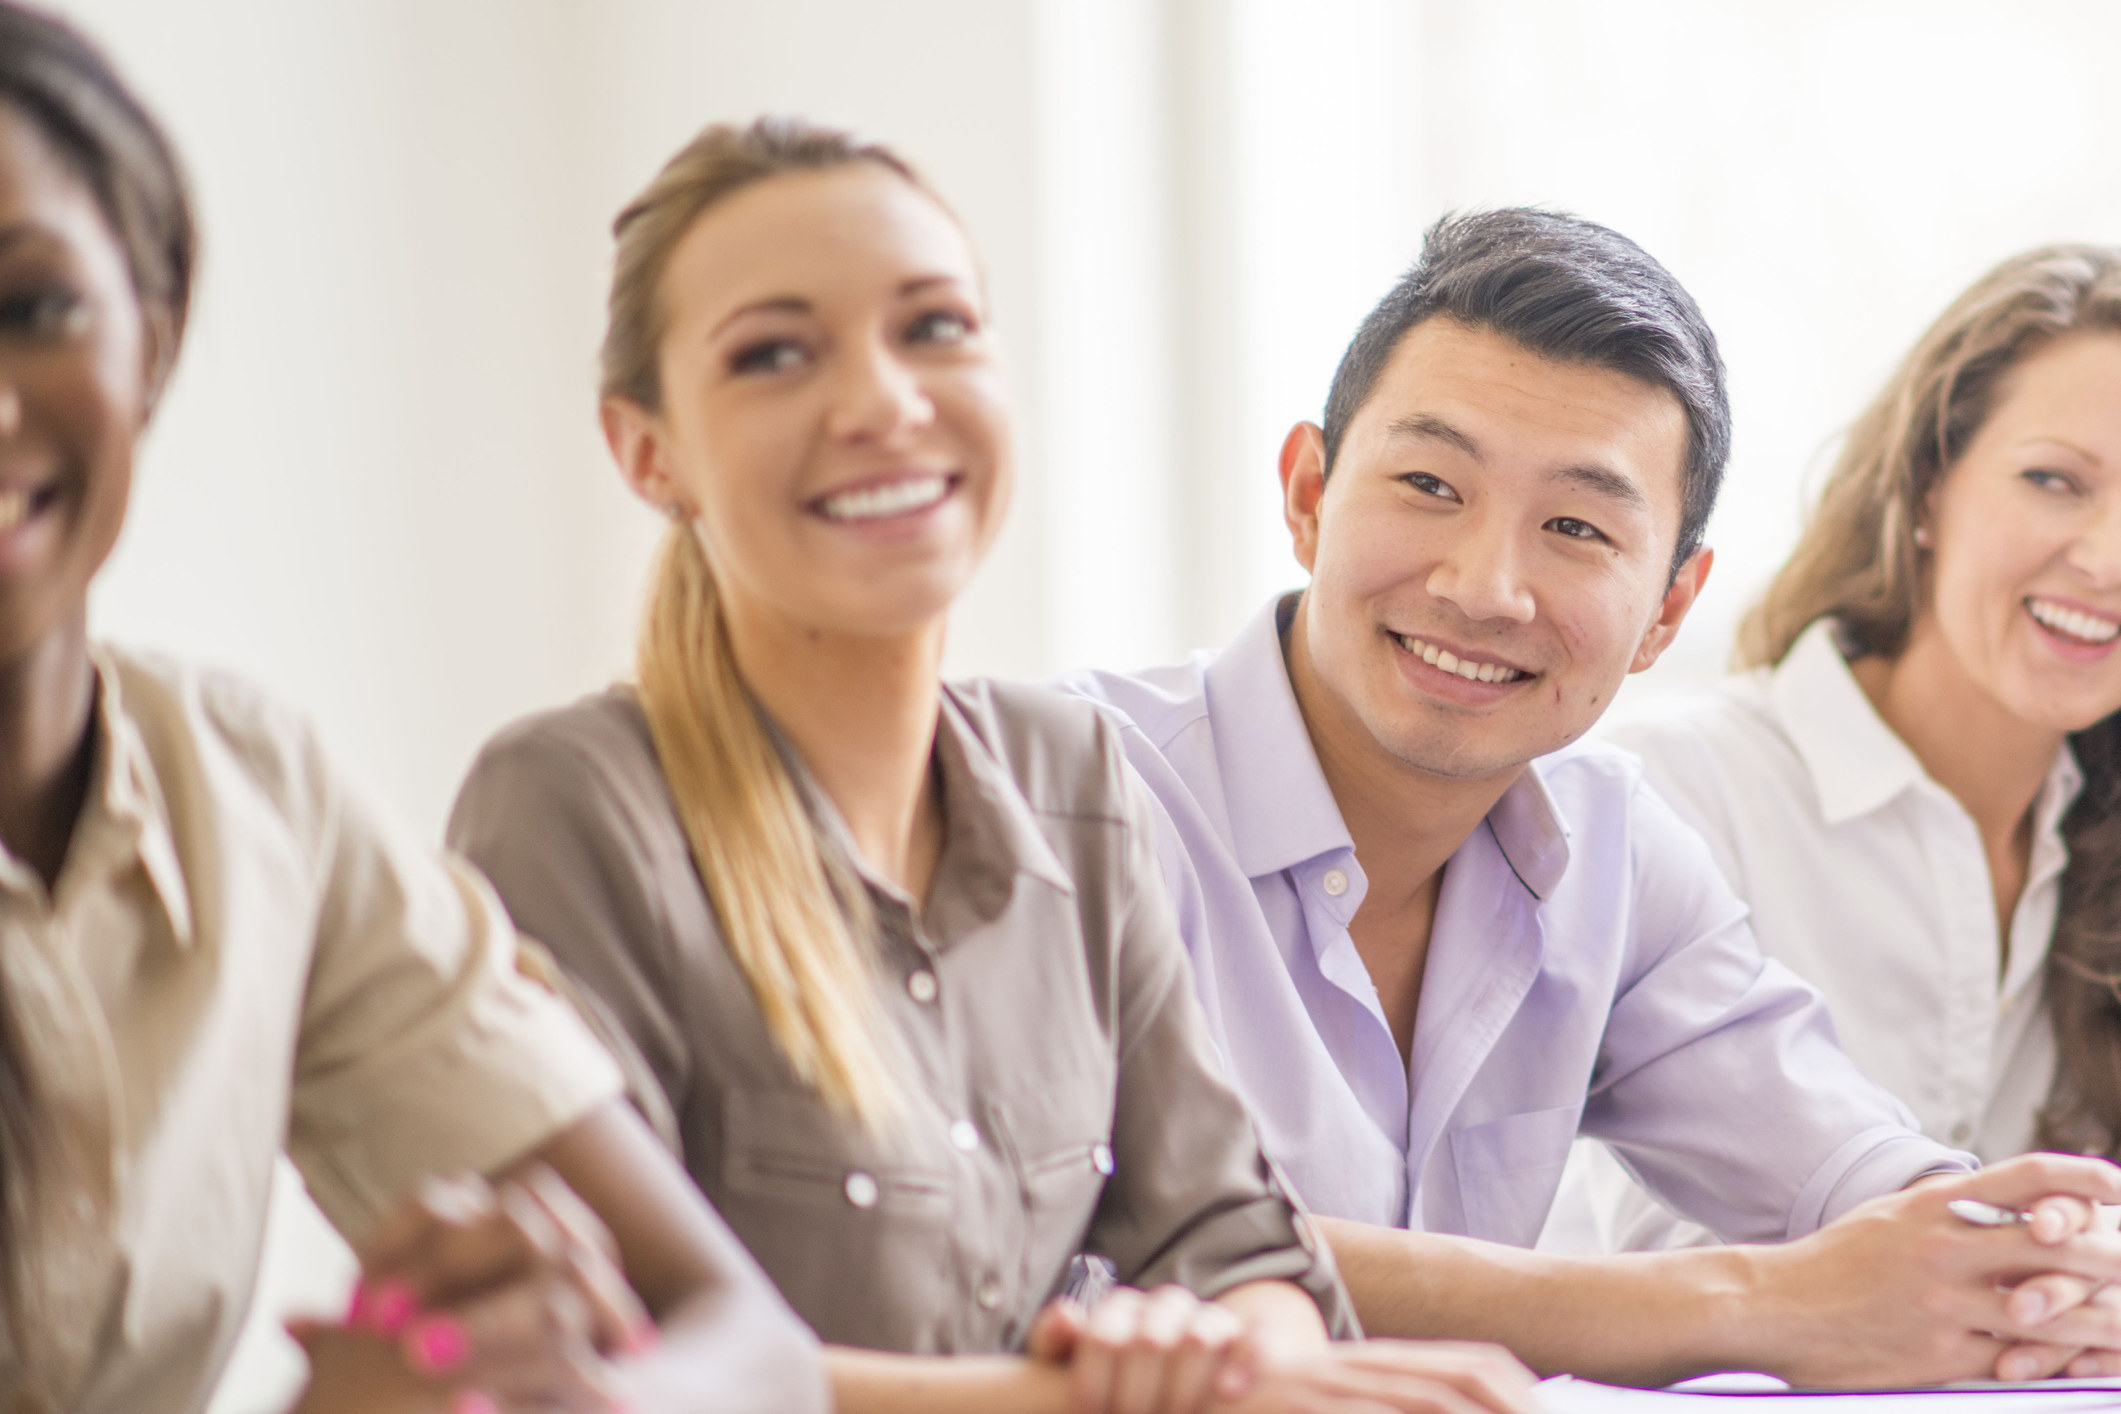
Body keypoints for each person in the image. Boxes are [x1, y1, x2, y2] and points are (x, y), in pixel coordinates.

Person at [447, 117, 1541, 1414]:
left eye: (934, 327)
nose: (884, 402)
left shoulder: (1070, 773)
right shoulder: (571, 807)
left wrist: (1240, 1361)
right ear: (649, 450)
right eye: (774, 354)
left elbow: (1236, 1244)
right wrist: (1081, 1396)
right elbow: (593, 1367)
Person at [1054, 208, 2121, 1388]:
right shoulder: (1064, 795)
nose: (1486, 586)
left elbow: (1841, 1157)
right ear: (1308, 491)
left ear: (1668, 609)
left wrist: (2030, 1263)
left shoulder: (1610, 844)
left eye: (1576, 526)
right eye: (1428, 482)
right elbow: (1082, 1251)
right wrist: (1754, 1298)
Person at [0, 6, 829, 1411]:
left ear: (156, 328)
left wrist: (561, 1390)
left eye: (33, 308)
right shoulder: (576, 790)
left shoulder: (252, 790)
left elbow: (749, 1341)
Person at [1570, 245, 2121, 1255]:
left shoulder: (2095, 830)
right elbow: (1682, 1253)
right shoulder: (1677, 788)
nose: (2108, 556)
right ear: (1925, 490)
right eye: (2054, 479)